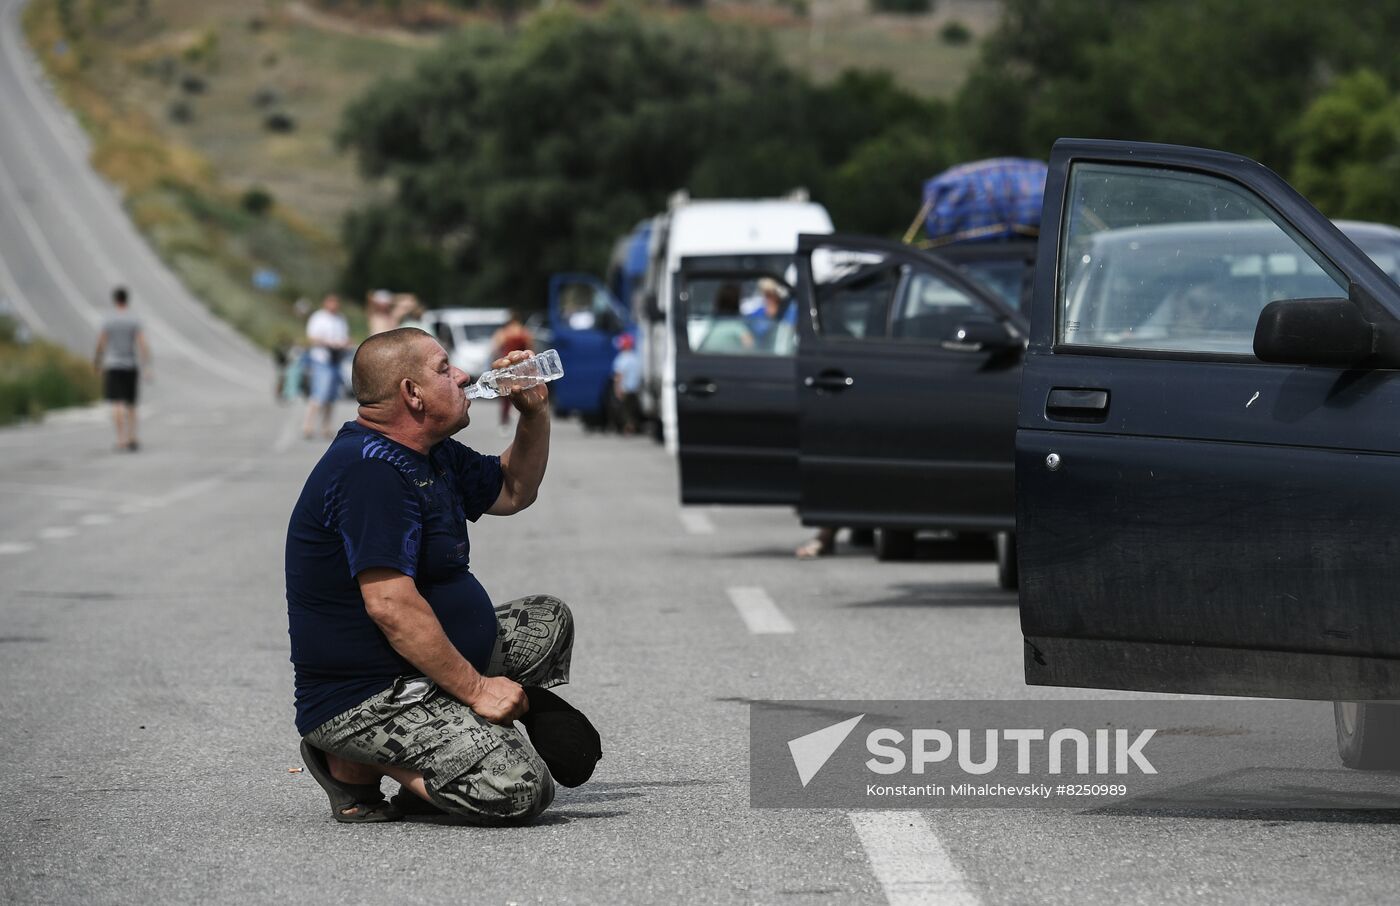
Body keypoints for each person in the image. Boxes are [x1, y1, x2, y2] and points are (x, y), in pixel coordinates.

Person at [286, 329, 600, 825]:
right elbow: (390, 607)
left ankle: (451, 739)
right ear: (412, 393)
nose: (464, 376)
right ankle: (352, 763)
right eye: (444, 368)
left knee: (547, 621)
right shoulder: (370, 473)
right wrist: (479, 691)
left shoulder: (429, 452)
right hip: (370, 695)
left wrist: (534, 415)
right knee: (519, 788)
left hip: (419, 671)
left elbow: (514, 490)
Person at [93, 286, 151, 452]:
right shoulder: (134, 319)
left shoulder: (109, 320)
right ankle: (133, 437)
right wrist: (146, 365)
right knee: (131, 403)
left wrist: (97, 362)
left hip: (113, 365)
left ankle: (121, 439)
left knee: (117, 403)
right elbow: (142, 343)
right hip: (130, 365)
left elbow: (102, 342)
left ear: (115, 300)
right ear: (127, 300)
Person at [301, 294, 351, 441]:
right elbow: (312, 338)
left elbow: (345, 337)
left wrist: (343, 344)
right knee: (319, 394)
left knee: (331, 396)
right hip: (322, 359)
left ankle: (326, 427)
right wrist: (328, 343)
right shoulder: (319, 318)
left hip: (336, 359)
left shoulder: (340, 319)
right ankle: (308, 425)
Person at [490, 310, 534, 435]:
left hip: (507, 364)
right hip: (520, 364)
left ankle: (504, 423)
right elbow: (530, 347)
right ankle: (519, 416)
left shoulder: (504, 332)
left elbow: (494, 348)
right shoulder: (524, 332)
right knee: (523, 389)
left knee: (505, 395)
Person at [610, 333, 642, 435]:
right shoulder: (635, 357)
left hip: (625, 388)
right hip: (635, 389)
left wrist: (617, 389)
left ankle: (628, 428)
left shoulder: (621, 358)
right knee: (633, 410)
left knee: (625, 411)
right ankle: (633, 426)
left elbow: (619, 376)